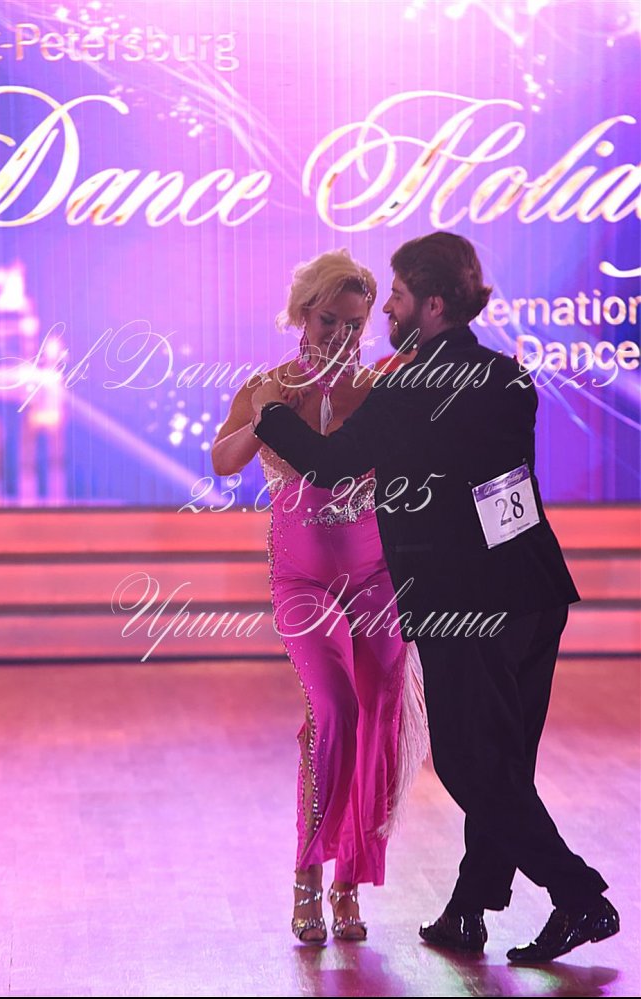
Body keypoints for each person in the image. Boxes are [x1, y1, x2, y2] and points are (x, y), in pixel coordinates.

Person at [250, 232, 619, 963]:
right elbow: (504, 490)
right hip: (535, 590)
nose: (387, 308)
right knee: (504, 762)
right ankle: (468, 908)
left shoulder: (408, 389)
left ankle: (578, 894)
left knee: (466, 761)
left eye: (398, 296)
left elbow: (326, 464)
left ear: (435, 304)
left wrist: (269, 412)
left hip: (465, 602)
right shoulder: (508, 376)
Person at [212, 249, 429, 946]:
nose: (341, 334)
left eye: (355, 323)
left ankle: (348, 880)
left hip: (376, 577)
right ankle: (307, 870)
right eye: (329, 320)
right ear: (303, 314)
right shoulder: (265, 387)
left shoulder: (378, 388)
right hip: (302, 581)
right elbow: (222, 460)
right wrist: (263, 420)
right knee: (333, 710)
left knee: (380, 714)